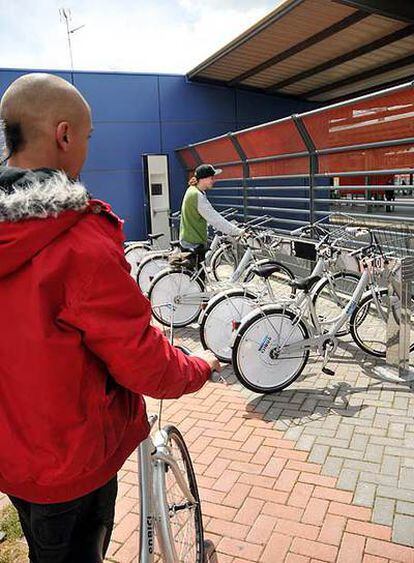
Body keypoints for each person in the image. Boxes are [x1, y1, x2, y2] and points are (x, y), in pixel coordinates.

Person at [0, 73, 220, 563]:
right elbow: (142, 363)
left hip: (12, 455)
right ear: (64, 135)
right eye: (88, 137)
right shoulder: (75, 241)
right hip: (71, 462)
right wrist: (199, 364)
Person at [179, 164, 243, 268]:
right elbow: (214, 218)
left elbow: (203, 214)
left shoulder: (193, 190)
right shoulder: (197, 195)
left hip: (188, 238)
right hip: (193, 242)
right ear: (203, 179)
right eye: (211, 178)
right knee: (196, 280)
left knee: (194, 279)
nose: (213, 180)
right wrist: (237, 231)